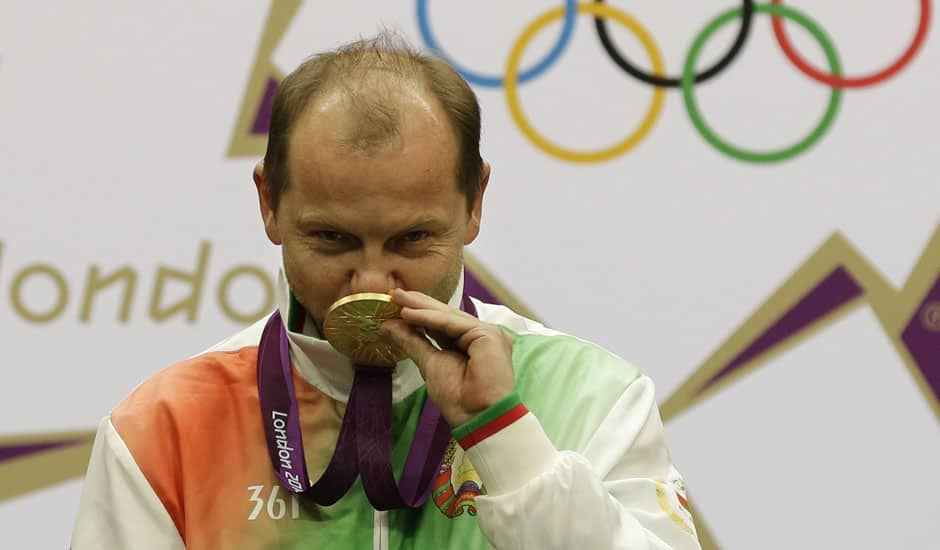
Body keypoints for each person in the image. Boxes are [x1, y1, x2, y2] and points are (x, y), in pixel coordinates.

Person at [71, 33, 701, 550]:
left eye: (411, 240)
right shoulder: (164, 430)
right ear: (269, 204)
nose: (373, 283)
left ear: (475, 202)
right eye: (332, 240)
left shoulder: (596, 397)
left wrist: (504, 434)